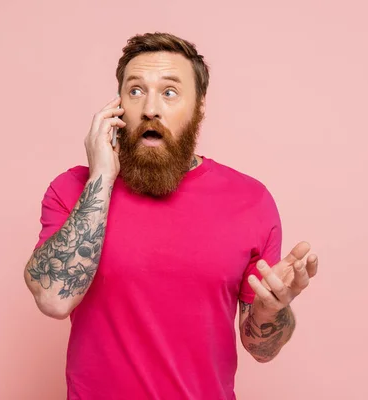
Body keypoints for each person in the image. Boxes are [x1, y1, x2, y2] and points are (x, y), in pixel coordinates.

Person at [23, 32, 319, 400]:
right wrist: (101, 175)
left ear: (200, 107)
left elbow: (262, 349)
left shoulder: (250, 201)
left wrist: (271, 309)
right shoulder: (72, 190)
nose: (150, 108)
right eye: (135, 91)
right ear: (116, 107)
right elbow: (53, 299)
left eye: (169, 92)